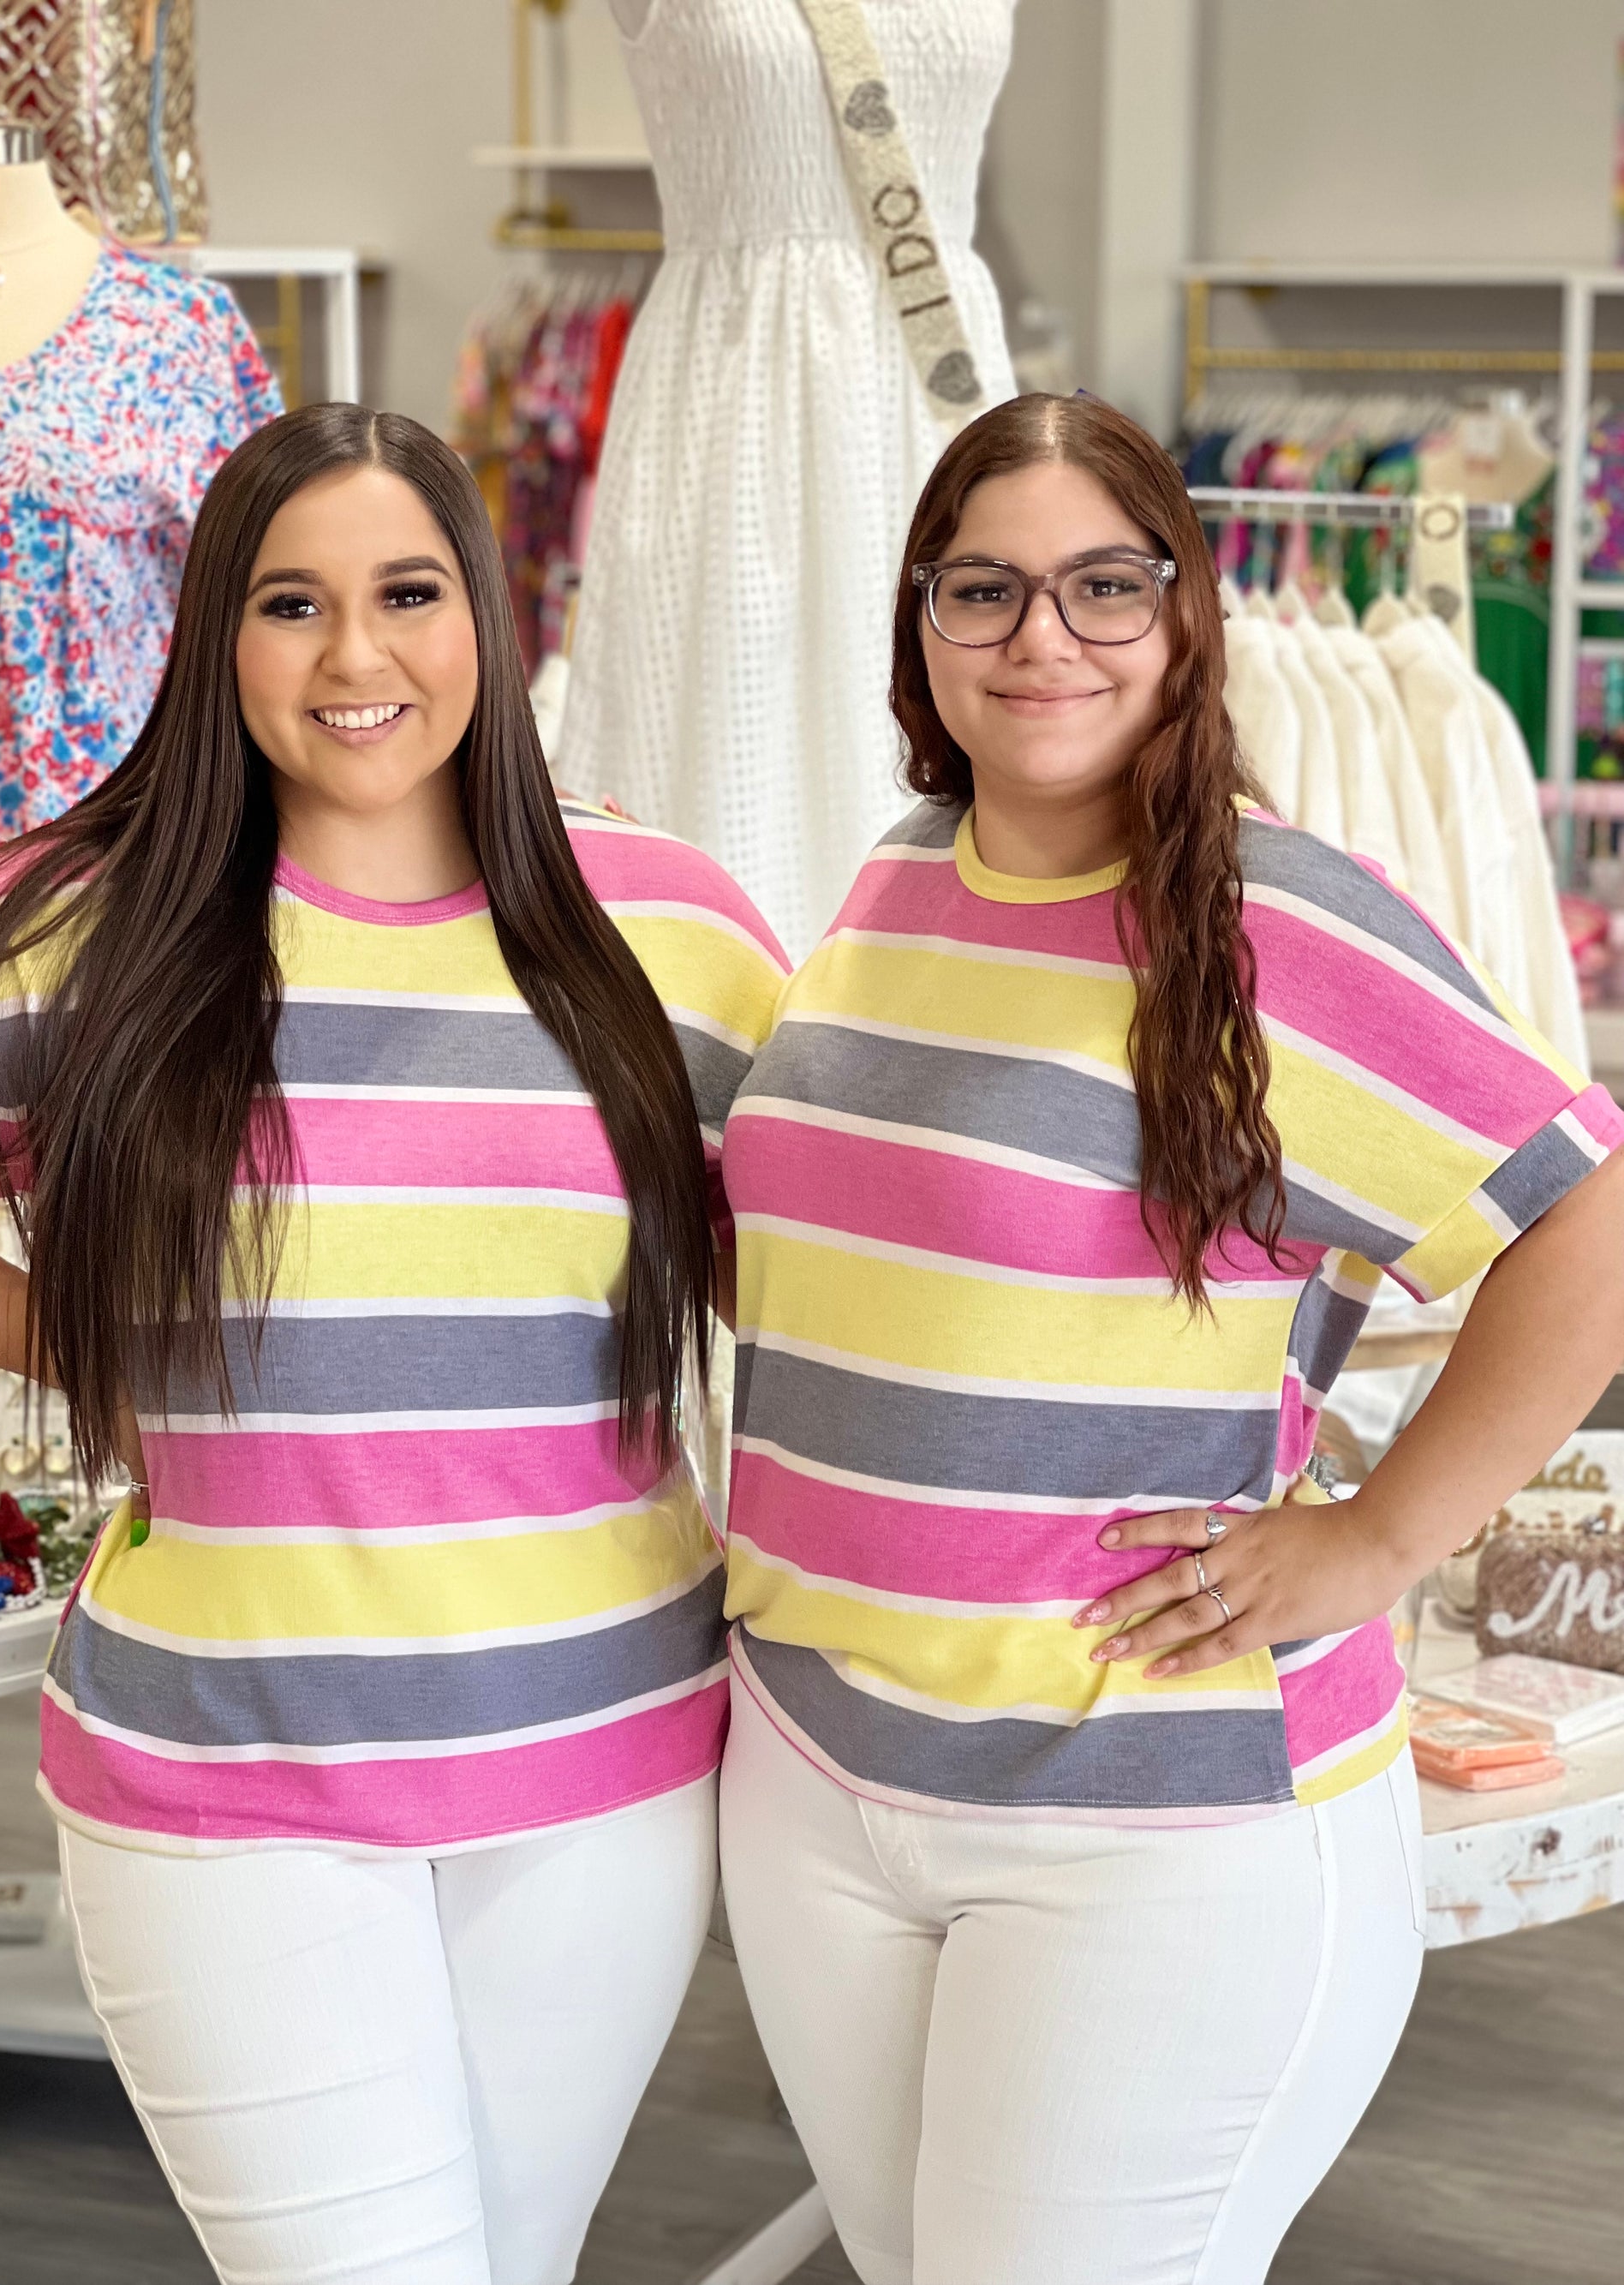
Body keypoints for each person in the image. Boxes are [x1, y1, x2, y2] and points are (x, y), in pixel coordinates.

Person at [715, 391, 1624, 2285]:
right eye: (985, 589)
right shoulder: (899, 875)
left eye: (1100, 584)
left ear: (1183, 617)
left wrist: (1375, 1541)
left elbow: (1587, 1212)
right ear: (923, 630)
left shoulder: (1273, 918)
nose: (1042, 634)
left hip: (1147, 1810)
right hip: (826, 1768)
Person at [0, 404, 786, 2285]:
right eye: (292, 605)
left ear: (484, 606)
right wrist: (68, 1334)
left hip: (609, 1775)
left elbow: (814, 1275)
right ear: (216, 635)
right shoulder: (89, 918)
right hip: (230, 1780)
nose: (357, 655)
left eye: (407, 592)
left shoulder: (673, 927)